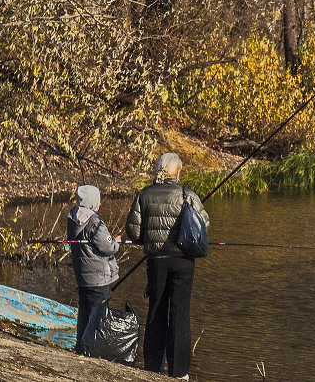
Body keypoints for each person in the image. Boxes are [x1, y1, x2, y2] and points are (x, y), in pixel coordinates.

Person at [125, 152, 209, 380]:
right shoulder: (187, 195)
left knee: (156, 311)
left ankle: (153, 368)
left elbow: (133, 232)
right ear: (178, 172)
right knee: (180, 314)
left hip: (156, 262)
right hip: (183, 261)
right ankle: (179, 373)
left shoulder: (144, 195)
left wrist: (148, 240)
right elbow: (204, 225)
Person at [66, 184, 121, 355]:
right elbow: (107, 247)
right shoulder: (95, 221)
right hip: (99, 278)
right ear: (92, 202)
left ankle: (81, 347)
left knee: (84, 313)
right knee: (98, 316)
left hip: (83, 277)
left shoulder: (73, 217)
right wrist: (116, 242)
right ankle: (93, 350)